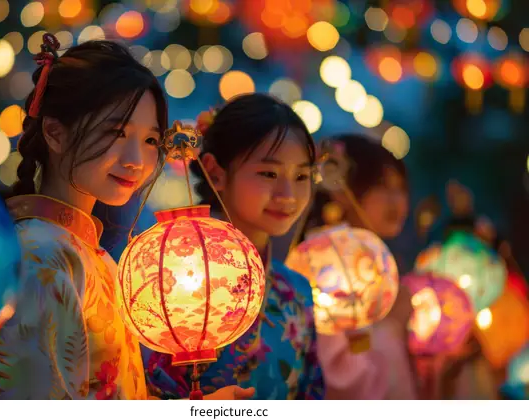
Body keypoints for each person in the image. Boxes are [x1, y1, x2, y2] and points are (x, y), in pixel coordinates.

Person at [0, 36, 252, 400]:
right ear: (55, 133)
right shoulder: (39, 256)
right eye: (116, 133)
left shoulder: (87, 254)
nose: (136, 159)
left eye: (151, 140)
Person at [141, 93, 325, 400]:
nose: (288, 194)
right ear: (216, 173)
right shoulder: (172, 282)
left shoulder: (295, 290)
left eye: (302, 176)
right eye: (269, 173)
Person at [291, 134, 416, 399]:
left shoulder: (382, 267)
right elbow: (339, 378)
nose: (397, 201)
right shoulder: (324, 270)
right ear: (340, 187)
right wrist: (393, 324)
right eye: (382, 186)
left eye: (401, 188)